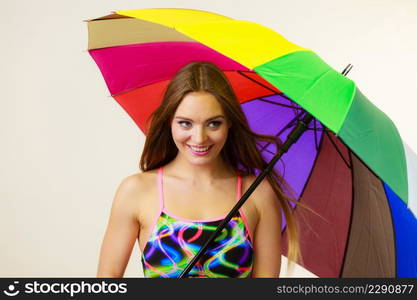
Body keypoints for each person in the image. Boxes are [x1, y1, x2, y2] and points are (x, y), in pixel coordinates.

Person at [96, 61, 300, 278]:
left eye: (213, 123)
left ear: (229, 122)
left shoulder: (258, 193)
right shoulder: (136, 190)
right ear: (169, 122)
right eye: (185, 123)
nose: (199, 138)